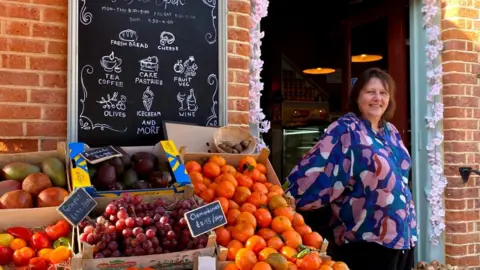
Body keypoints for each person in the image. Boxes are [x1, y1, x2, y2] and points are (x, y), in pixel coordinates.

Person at [285, 68, 416, 270]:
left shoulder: (390, 131)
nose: (377, 98)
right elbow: (317, 166)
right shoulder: (346, 129)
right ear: (357, 97)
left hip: (402, 237)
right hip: (366, 239)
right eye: (370, 92)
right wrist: (286, 196)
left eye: (383, 93)